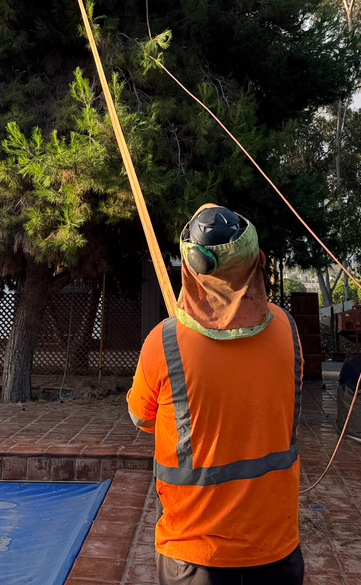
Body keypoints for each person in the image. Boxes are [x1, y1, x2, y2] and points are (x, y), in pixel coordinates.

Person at [127, 204, 304, 585]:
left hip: (195, 556)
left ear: (193, 265)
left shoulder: (164, 342)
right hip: (276, 550)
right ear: (256, 259)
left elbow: (141, 417)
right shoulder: (288, 330)